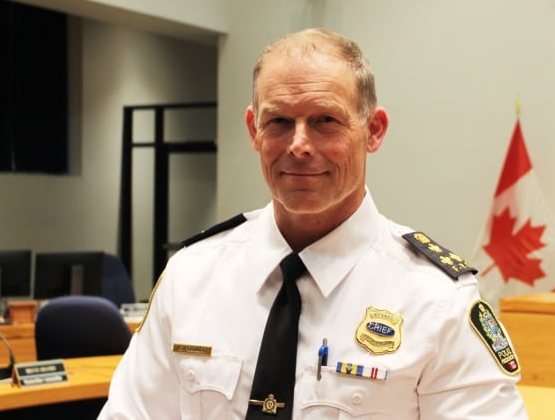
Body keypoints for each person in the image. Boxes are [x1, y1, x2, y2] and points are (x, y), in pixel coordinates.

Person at [99, 28, 528, 419]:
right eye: (280, 122)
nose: (299, 145)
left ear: (374, 130)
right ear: (253, 130)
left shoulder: (436, 302)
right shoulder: (191, 275)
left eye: (325, 121)